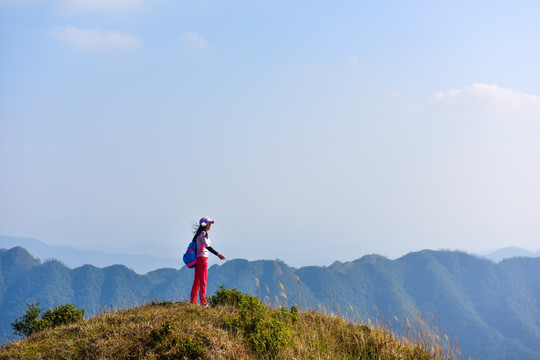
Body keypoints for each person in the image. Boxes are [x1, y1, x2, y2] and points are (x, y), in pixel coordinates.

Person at [190, 216, 226, 306]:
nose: (210, 225)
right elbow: (207, 246)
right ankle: (203, 302)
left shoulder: (199, 234)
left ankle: (193, 301)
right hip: (202, 260)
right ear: (205, 225)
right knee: (203, 281)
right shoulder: (203, 234)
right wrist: (218, 254)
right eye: (209, 224)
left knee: (197, 281)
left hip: (198, 259)